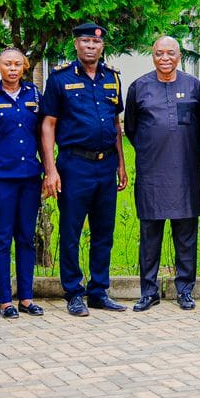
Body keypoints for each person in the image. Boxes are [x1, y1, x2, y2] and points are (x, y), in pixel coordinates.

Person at [41, 23, 127, 317]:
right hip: (74, 165)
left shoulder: (113, 79)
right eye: (85, 41)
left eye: (96, 42)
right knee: (72, 230)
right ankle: (74, 292)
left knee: (104, 231)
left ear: (102, 47)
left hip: (106, 166)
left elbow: (116, 124)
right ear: (76, 45)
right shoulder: (59, 79)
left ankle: (99, 291)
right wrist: (50, 169)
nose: (91, 46)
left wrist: (122, 165)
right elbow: (48, 124)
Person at [125, 36, 200, 311]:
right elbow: (131, 130)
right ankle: (149, 291)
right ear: (152, 55)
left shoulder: (194, 86)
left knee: (186, 236)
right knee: (150, 237)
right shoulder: (139, 88)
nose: (165, 58)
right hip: (152, 175)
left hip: (185, 174)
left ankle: (185, 290)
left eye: (170, 53)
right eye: (159, 53)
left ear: (179, 55)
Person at [0, 47, 45, 320]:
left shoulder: (34, 95)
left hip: (29, 178)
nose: (13, 68)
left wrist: (48, 171)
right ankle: (5, 300)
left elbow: (42, 136)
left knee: (26, 238)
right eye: (7, 64)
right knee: (2, 238)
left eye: (17, 64)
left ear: (25, 67)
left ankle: (27, 297)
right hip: (1, 179)